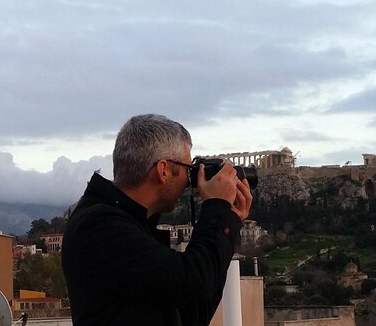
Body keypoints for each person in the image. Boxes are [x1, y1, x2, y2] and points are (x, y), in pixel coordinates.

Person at [62, 114, 253, 326]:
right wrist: (217, 209)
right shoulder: (99, 226)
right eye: (188, 170)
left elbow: (192, 310)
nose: (190, 181)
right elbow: (195, 283)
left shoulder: (131, 224)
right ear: (163, 170)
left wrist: (229, 220)